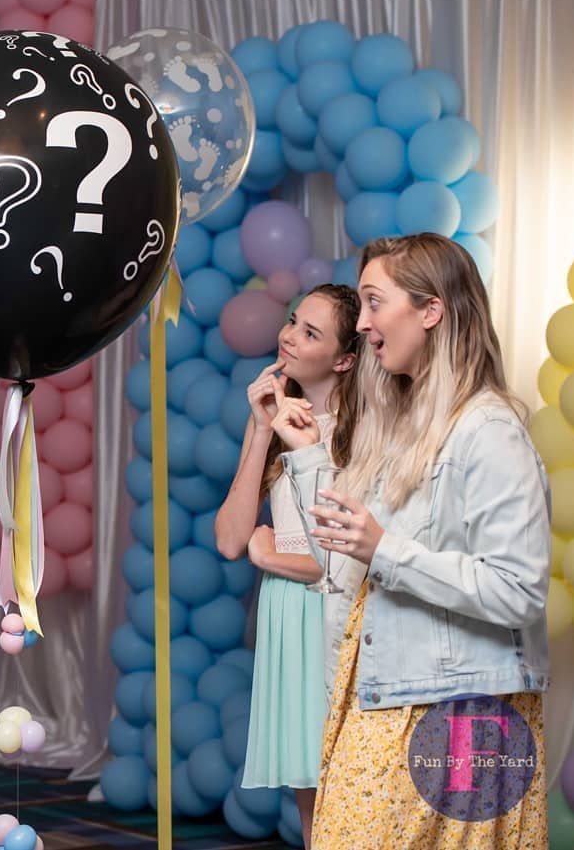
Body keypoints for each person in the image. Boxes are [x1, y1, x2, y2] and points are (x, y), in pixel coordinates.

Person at [278, 233, 550, 847]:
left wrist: (387, 551)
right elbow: (348, 554)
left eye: (375, 303)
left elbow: (519, 590)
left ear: (431, 311)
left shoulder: (488, 430)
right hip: (387, 695)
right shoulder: (399, 425)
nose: (365, 324)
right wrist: (311, 458)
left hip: (460, 712)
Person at [214, 283, 362, 846]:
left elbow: (337, 559)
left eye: (310, 332)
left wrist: (267, 553)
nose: (289, 336)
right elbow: (230, 539)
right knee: (311, 807)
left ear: (346, 359)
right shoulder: (281, 425)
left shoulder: (354, 434)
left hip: (329, 618)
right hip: (285, 621)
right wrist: (260, 428)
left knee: (348, 790)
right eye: (294, 321)